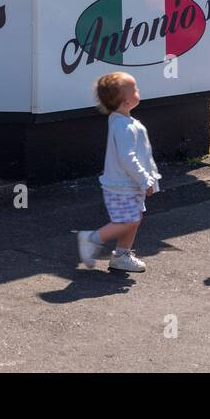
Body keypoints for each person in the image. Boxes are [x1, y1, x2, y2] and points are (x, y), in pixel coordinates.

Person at [76, 72, 161, 273]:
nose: (139, 91)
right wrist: (145, 180)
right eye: (135, 89)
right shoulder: (123, 126)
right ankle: (91, 239)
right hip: (121, 186)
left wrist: (148, 180)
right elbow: (127, 158)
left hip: (128, 184)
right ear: (126, 101)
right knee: (128, 221)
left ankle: (122, 255)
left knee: (134, 219)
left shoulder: (124, 121)